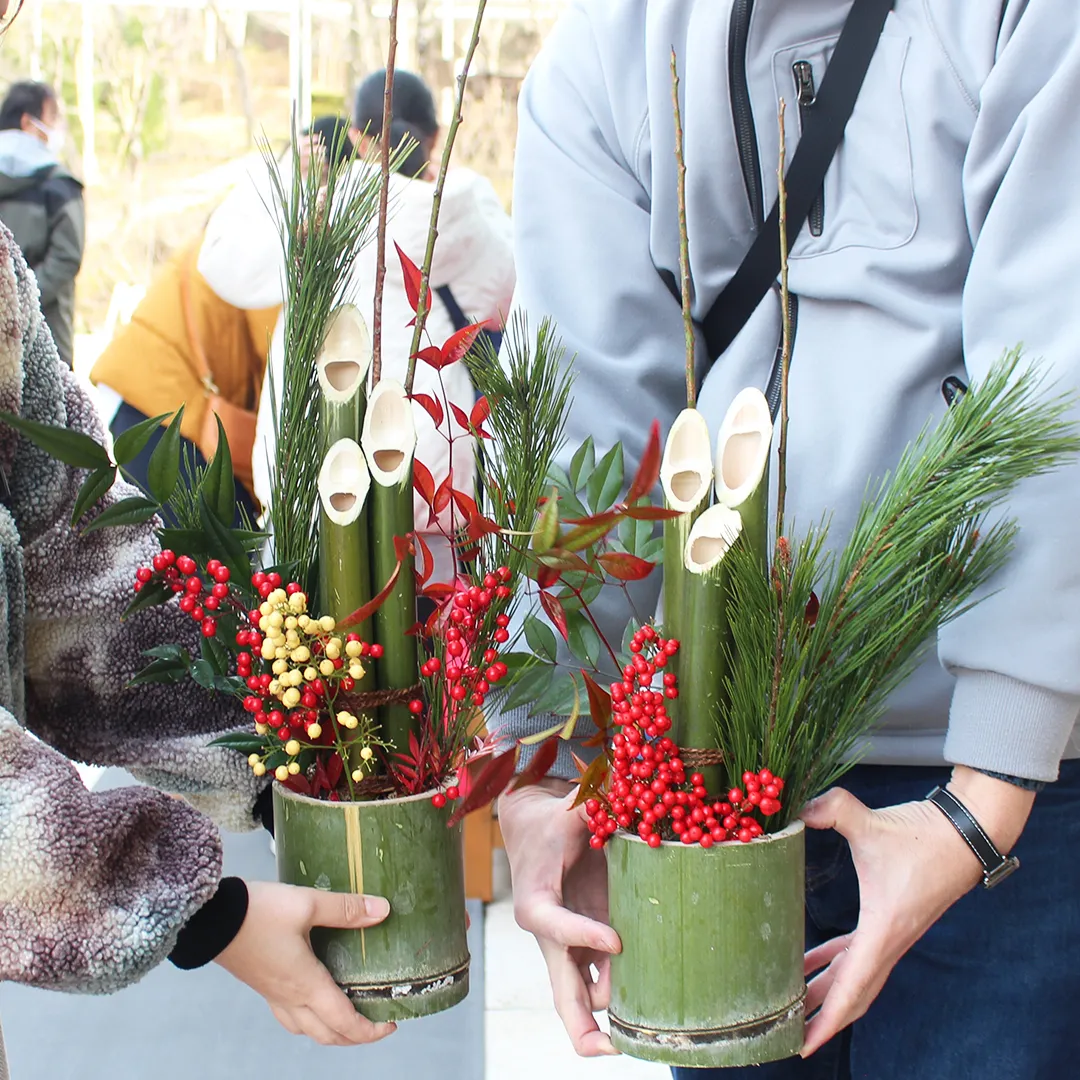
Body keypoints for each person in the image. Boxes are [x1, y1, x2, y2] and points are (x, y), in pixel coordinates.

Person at [496, 3, 1080, 1078]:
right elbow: (578, 421)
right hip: (719, 773)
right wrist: (544, 774)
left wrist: (987, 792)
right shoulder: (610, 48)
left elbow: (1053, 375)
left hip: (1009, 791)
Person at [0, 65, 395, 1066]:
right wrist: (195, 908)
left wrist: (274, 757)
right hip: (171, 411)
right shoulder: (275, 236)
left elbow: (81, 587)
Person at [198, 70, 515, 577]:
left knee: (313, 647)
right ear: (435, 138)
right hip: (435, 486)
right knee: (437, 643)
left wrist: (285, 173)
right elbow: (504, 293)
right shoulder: (460, 211)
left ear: (356, 136)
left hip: (314, 473)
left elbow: (221, 263)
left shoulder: (323, 208)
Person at [89, 117, 354, 526]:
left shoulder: (253, 211)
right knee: (210, 561)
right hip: (164, 407)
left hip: (152, 396)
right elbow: (280, 351)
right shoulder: (273, 235)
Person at [0, 79, 83, 368]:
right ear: (28, 122)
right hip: (47, 341)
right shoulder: (59, 185)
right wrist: (22, 300)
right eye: (53, 117)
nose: (57, 127)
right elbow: (67, 257)